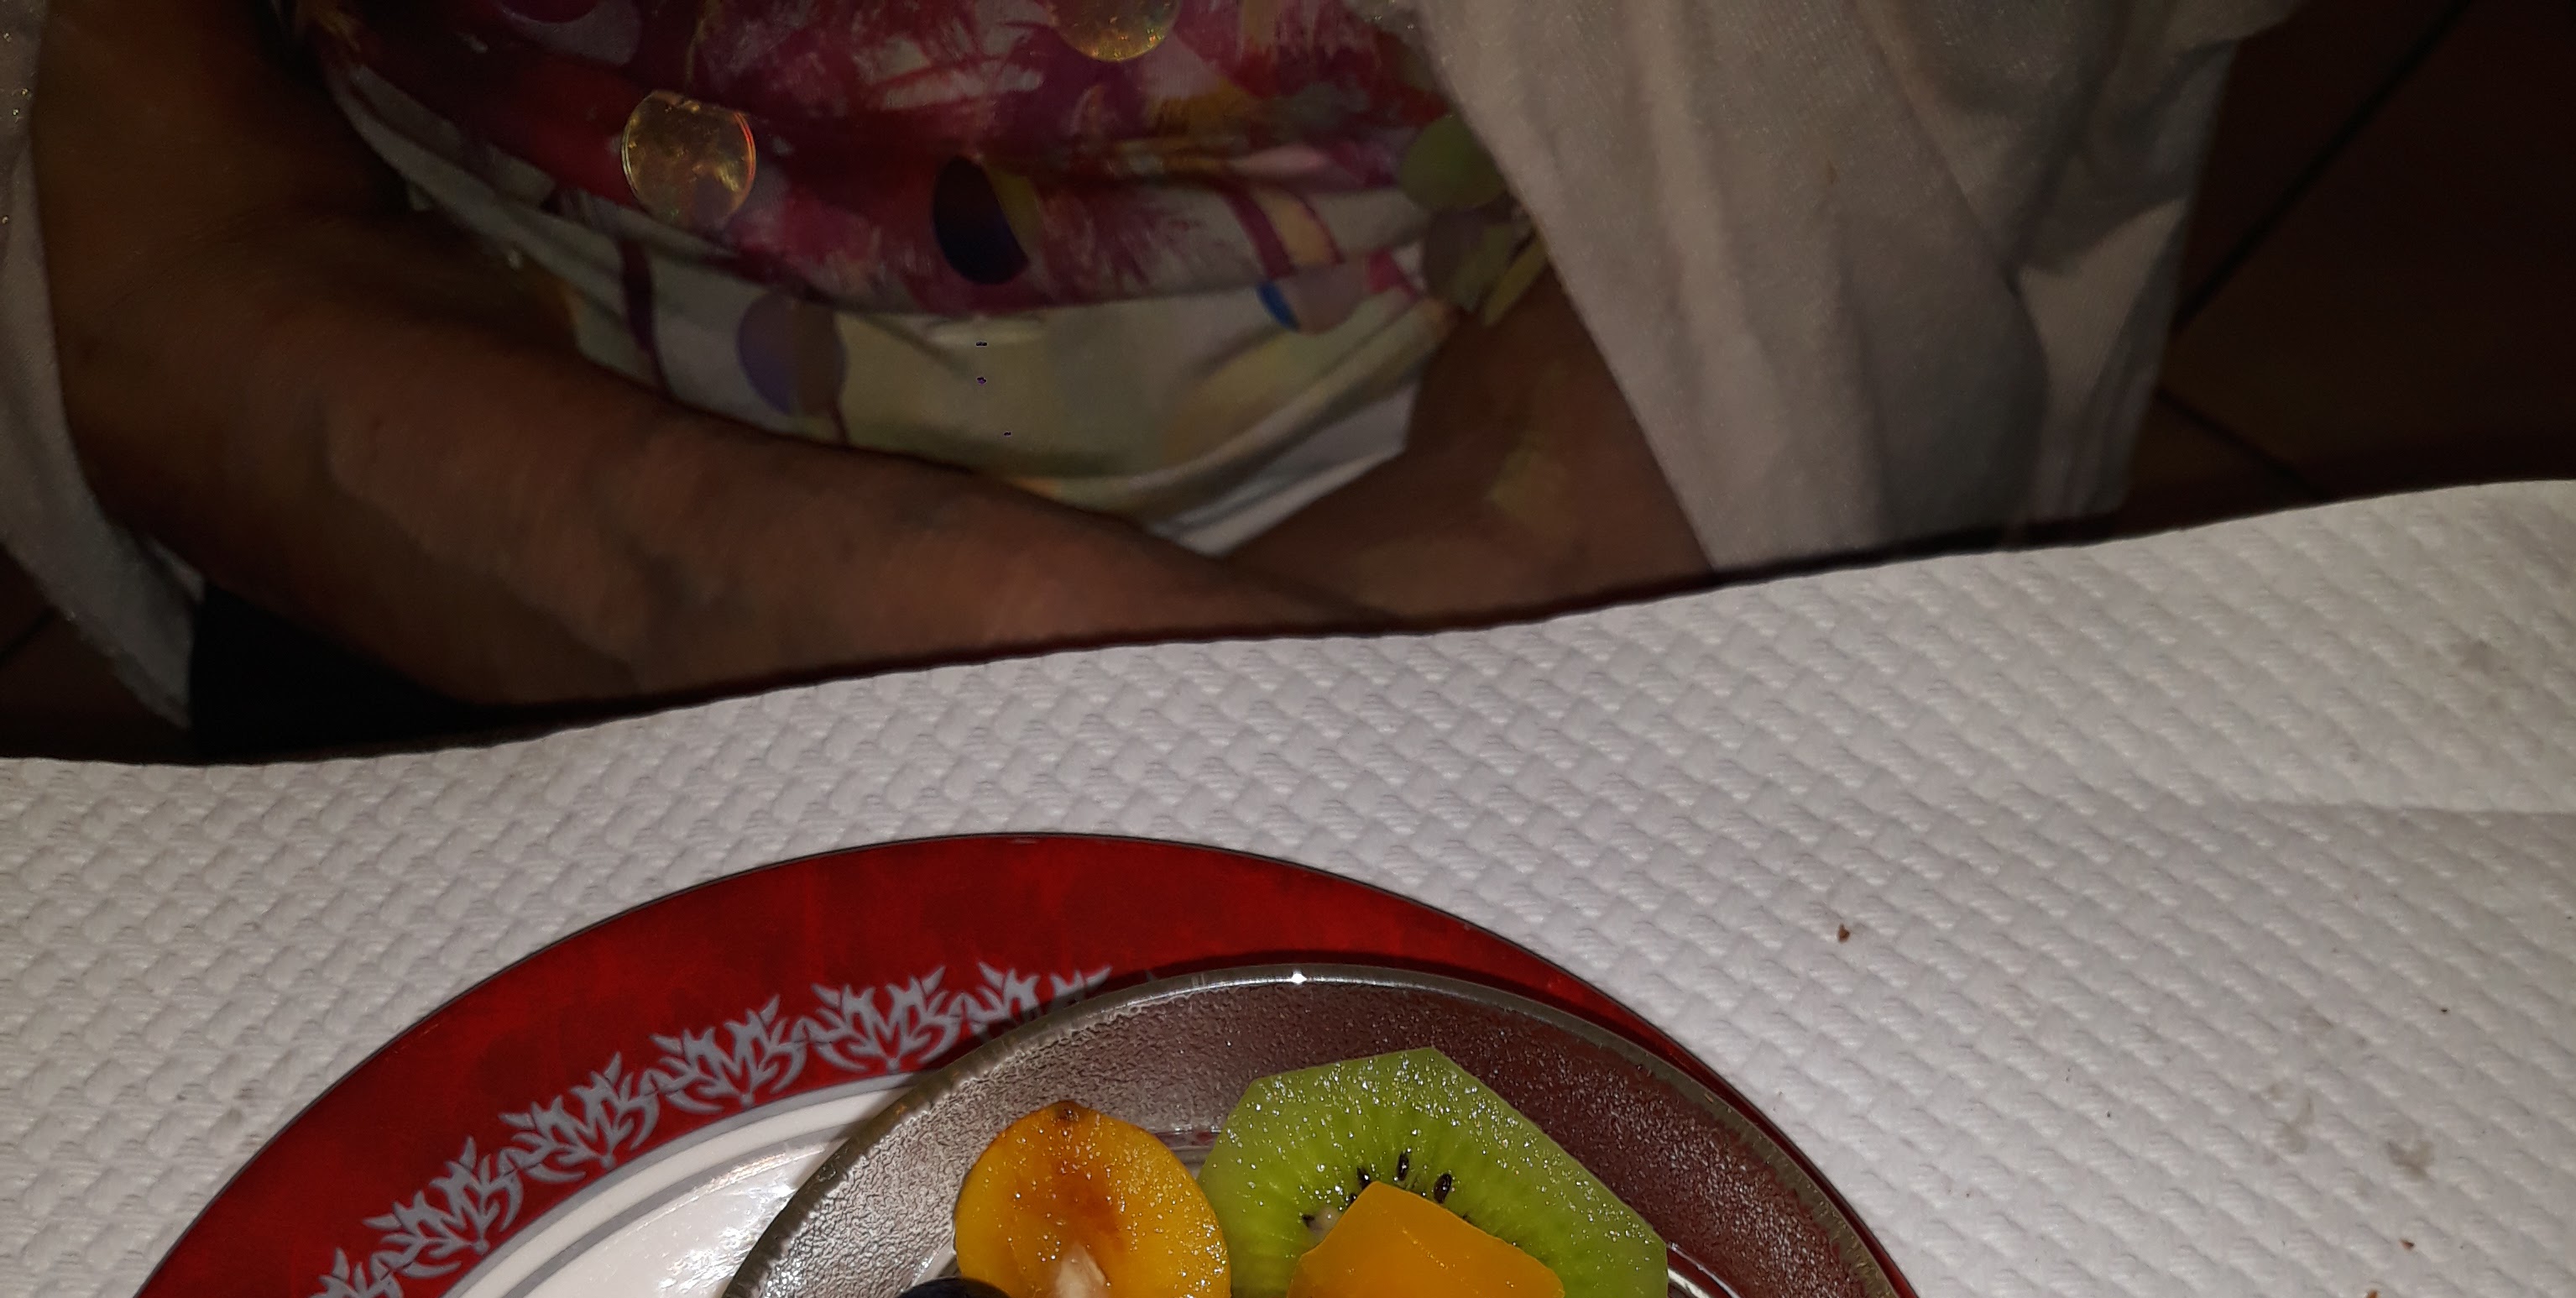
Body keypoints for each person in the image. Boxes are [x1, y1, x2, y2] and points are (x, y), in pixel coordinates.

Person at [0, 1, 2287, 742]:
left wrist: (1215, 709)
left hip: (1541, 509)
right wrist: (971, 635)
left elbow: (1826, 203)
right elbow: (144, 255)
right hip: (427, 488)